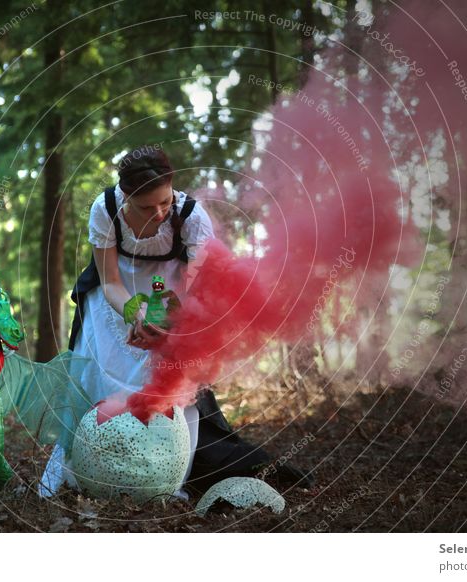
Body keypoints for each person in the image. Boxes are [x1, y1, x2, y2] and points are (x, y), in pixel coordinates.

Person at [39, 145, 311, 499]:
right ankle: (88, 476)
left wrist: (166, 323)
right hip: (116, 301)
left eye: (164, 202)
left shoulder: (193, 217)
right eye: (146, 207)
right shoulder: (104, 210)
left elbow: (196, 290)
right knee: (101, 382)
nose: (158, 213)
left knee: (173, 391)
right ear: (126, 199)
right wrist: (133, 315)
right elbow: (108, 282)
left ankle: (167, 481)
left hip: (173, 297)